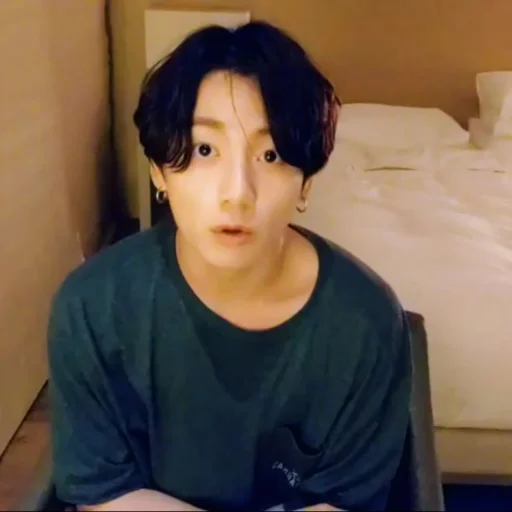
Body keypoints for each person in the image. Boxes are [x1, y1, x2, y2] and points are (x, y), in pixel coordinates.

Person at [48, 21, 411, 512]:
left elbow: (344, 501)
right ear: (159, 171)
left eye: (271, 154)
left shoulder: (364, 323)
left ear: (306, 183)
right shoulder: (92, 308)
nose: (237, 193)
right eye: (205, 150)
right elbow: (103, 490)